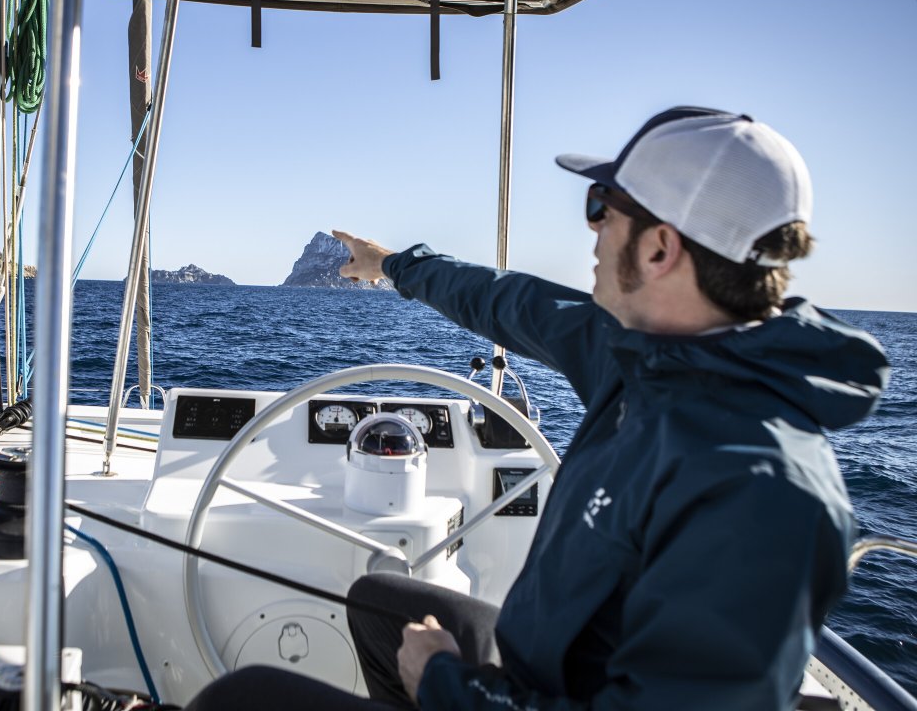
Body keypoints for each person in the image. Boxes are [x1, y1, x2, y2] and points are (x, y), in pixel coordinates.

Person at [185, 106, 889, 710]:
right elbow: (506, 300)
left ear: (660, 247)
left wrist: (441, 682)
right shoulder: (644, 354)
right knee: (379, 603)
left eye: (601, 209)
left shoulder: (762, 493)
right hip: (539, 662)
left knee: (235, 700)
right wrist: (393, 263)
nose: (590, 233)